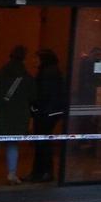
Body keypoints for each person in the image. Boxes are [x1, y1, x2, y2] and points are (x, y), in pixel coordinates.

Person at [0, 46, 33, 186]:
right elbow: (33, 96)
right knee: (12, 145)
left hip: (0, 113)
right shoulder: (26, 78)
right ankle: (11, 175)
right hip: (18, 116)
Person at [30, 50, 66, 183]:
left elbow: (42, 94)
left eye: (36, 58)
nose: (34, 61)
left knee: (42, 143)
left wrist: (35, 108)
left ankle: (43, 172)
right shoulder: (54, 71)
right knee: (43, 142)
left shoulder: (46, 73)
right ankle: (41, 172)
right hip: (51, 111)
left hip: (46, 112)